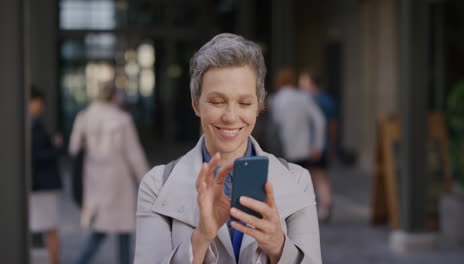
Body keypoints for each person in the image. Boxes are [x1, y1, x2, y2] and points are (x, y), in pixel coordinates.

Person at [134, 33, 322, 264]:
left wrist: (279, 248)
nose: (231, 117)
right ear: (196, 104)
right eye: (217, 102)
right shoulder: (156, 185)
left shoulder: (298, 179)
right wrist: (201, 238)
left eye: (244, 103)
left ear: (259, 105)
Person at [69, 81, 149, 264]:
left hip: (94, 178)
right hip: (119, 180)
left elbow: (74, 148)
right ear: (114, 96)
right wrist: (145, 179)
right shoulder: (122, 119)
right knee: (123, 230)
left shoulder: (84, 116)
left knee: (99, 228)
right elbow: (133, 153)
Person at [299, 69, 338, 222]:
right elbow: (334, 125)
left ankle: (313, 207)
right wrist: (332, 143)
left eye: (303, 80)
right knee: (321, 175)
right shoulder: (328, 99)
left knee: (311, 176)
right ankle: (325, 204)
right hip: (324, 143)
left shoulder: (307, 100)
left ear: (310, 81)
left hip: (311, 145)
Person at [29, 87, 63, 264]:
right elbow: (39, 155)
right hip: (43, 185)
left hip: (37, 185)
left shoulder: (30, 123)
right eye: (39, 102)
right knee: (51, 229)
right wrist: (56, 148)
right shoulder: (33, 124)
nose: (41, 106)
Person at [269, 68, 326, 171]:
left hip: (283, 149)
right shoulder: (304, 97)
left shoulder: (275, 100)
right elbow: (320, 120)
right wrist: (318, 145)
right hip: (304, 149)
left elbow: (276, 124)